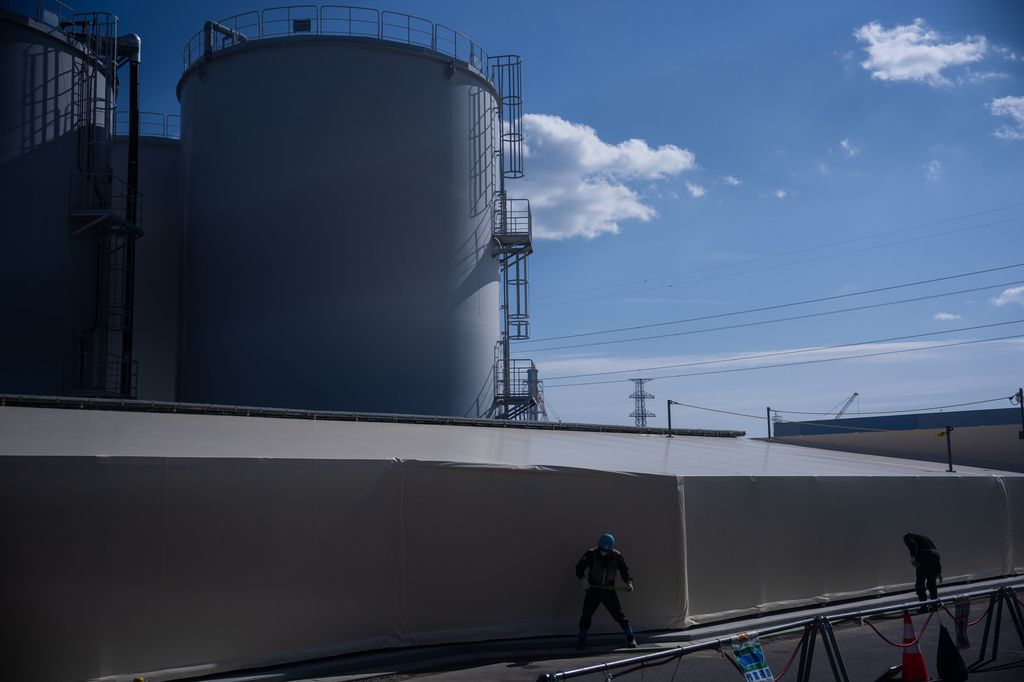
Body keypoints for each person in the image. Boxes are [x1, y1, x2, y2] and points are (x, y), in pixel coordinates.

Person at [574, 533, 636, 649]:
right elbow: (579, 567)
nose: (604, 553)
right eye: (602, 550)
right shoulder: (591, 554)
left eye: (606, 551)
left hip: (609, 590)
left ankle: (631, 638)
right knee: (586, 616)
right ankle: (581, 640)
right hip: (593, 590)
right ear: (598, 544)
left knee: (619, 615)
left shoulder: (617, 556)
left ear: (612, 548)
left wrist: (628, 582)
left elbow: (624, 570)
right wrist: (583, 580)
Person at [903, 532, 942, 609]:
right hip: (934, 558)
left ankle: (923, 607)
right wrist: (939, 571)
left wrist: (913, 556)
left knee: (920, 583)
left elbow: (912, 544)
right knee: (931, 582)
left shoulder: (908, 536)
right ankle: (934, 605)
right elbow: (935, 553)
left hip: (924, 557)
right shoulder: (924, 539)